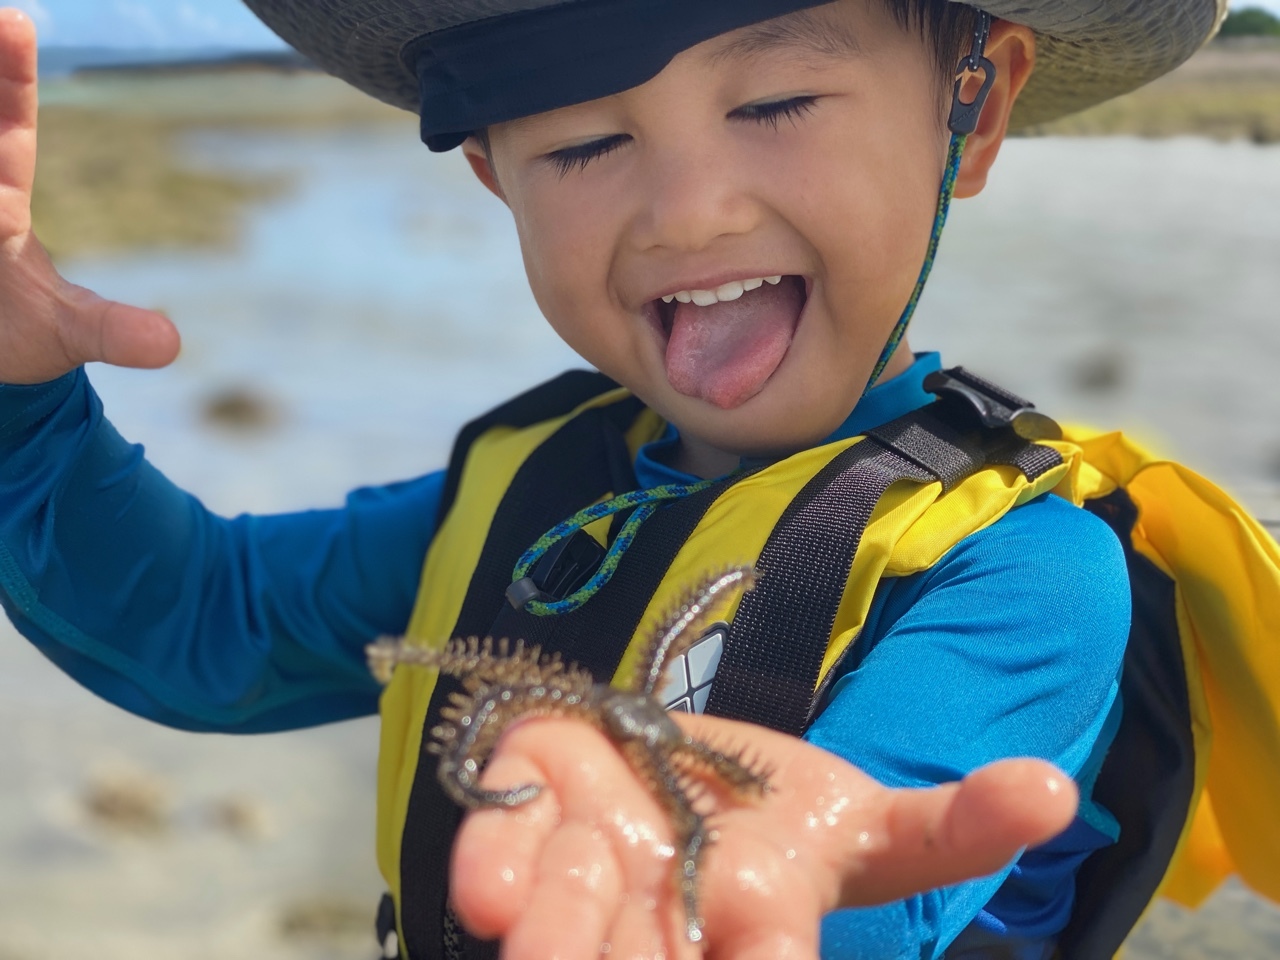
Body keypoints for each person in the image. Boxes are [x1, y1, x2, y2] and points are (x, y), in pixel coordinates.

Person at [0, 0, 1245, 958]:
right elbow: (202, 621)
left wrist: (761, 860)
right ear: (494, 173)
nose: (687, 213)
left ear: (967, 113)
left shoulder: (1024, 573)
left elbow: (865, 861)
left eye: (775, 103)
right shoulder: (530, 486)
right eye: (587, 141)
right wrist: (25, 407)